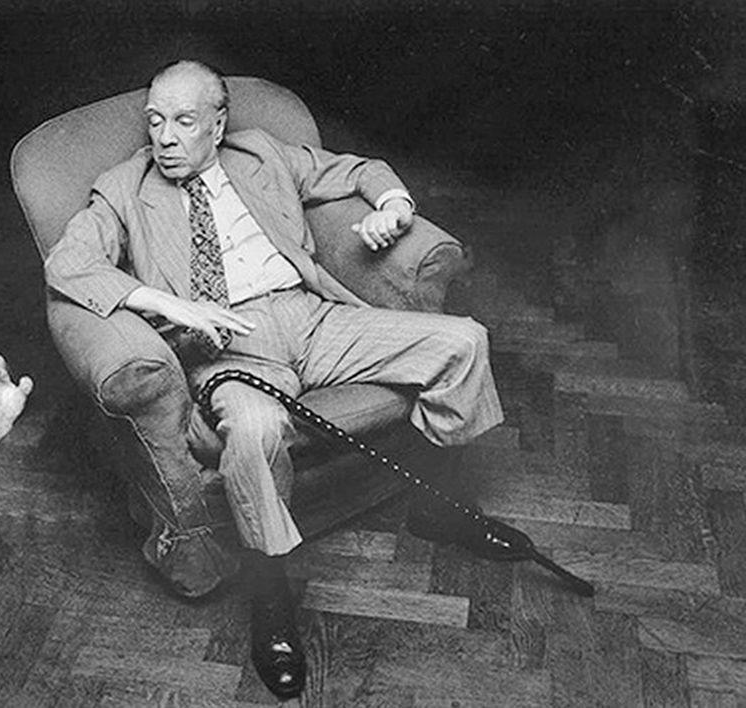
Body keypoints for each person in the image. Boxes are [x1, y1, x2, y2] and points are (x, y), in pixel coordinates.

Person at [44, 60, 504, 700]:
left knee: (463, 342)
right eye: (155, 122)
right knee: (255, 428)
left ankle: (438, 504)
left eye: (183, 121)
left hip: (312, 319)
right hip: (229, 348)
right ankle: (272, 596)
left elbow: (359, 170)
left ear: (219, 123)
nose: (165, 138)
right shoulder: (123, 188)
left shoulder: (260, 153)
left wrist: (394, 206)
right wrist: (167, 304)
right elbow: (68, 264)